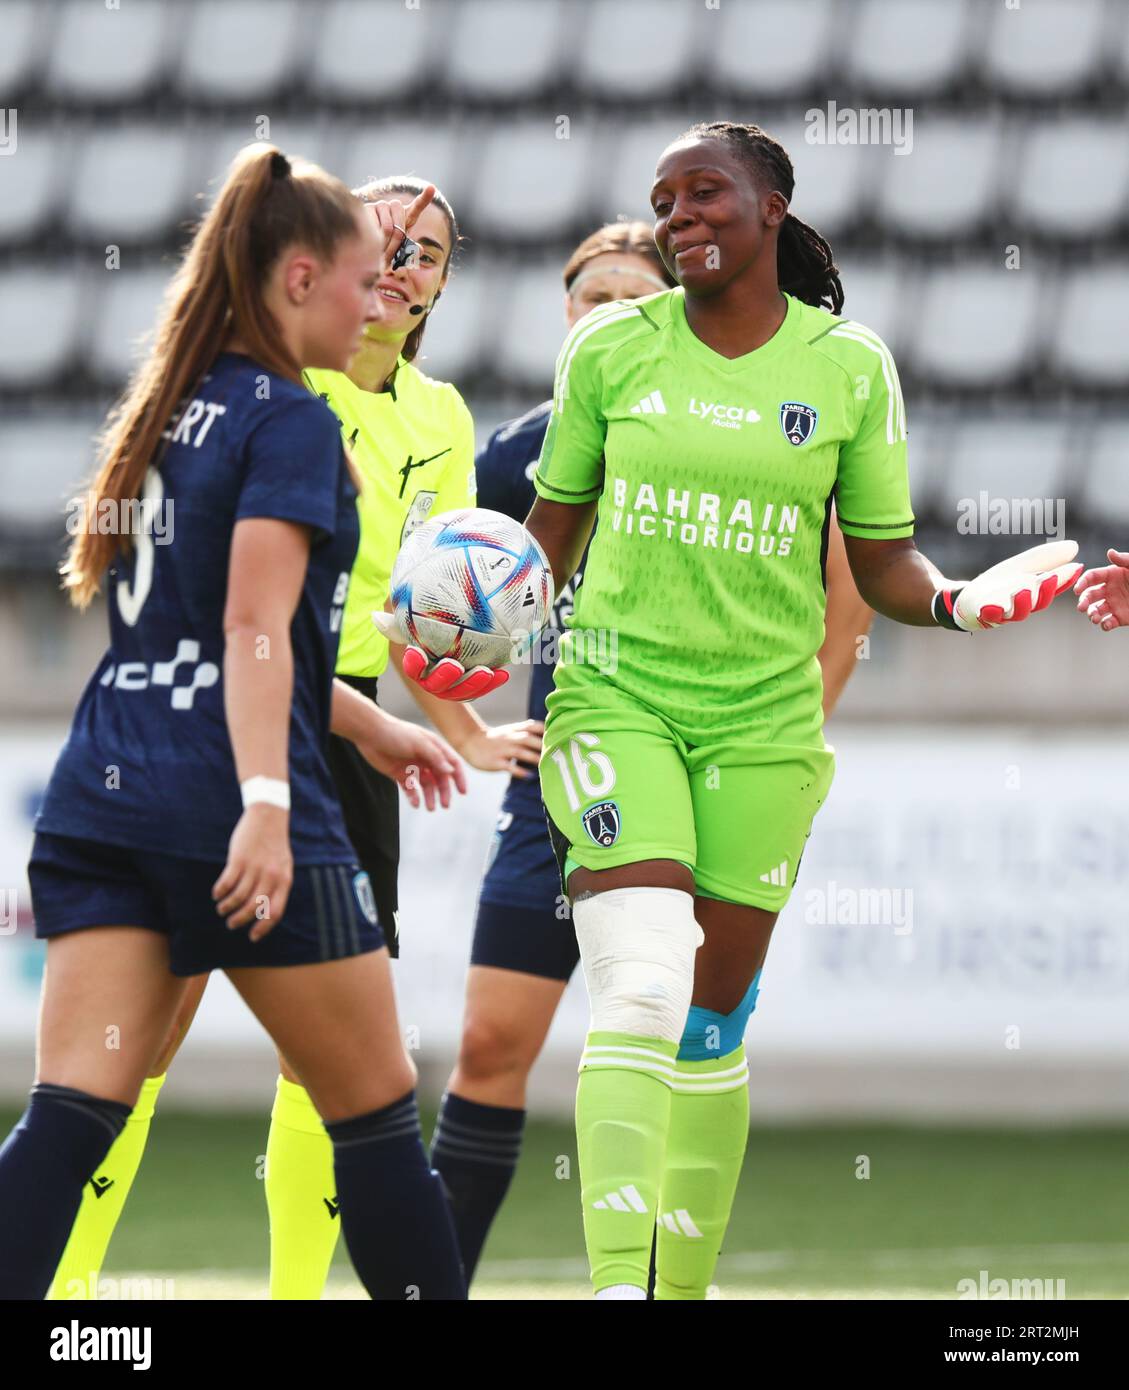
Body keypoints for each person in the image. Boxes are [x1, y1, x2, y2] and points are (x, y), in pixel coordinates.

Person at [398, 120, 1081, 1300]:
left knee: (712, 1022)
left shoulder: (850, 369)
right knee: (644, 981)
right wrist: (461, 631)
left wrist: (969, 601)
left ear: (773, 207)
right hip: (616, 701)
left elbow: (879, 569)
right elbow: (543, 550)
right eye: (663, 201)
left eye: (704, 193)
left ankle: (678, 1291)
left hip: (763, 726)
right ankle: (617, 1282)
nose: (679, 217)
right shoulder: (611, 353)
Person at [47, 173, 540, 1302]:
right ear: (330, 262)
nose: (404, 265)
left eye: (428, 253)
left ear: (442, 286)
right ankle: (65, 1291)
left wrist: (456, 726)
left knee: (330, 1061)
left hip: (340, 717)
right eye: (387, 242)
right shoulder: (285, 399)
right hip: (258, 710)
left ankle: (291, 1296)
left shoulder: (441, 419)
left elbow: (435, 603)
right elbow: (243, 618)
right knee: (155, 1036)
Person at [426, 218, 875, 1285]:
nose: (614, 313)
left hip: (713, 765)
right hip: (568, 773)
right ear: (566, 314)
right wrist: (465, 729)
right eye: (595, 298)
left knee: (682, 1036)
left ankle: (662, 1275)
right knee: (492, 1045)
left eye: (639, 295)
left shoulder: (740, 427)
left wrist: (784, 731)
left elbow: (843, 595)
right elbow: (434, 605)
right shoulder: (515, 452)